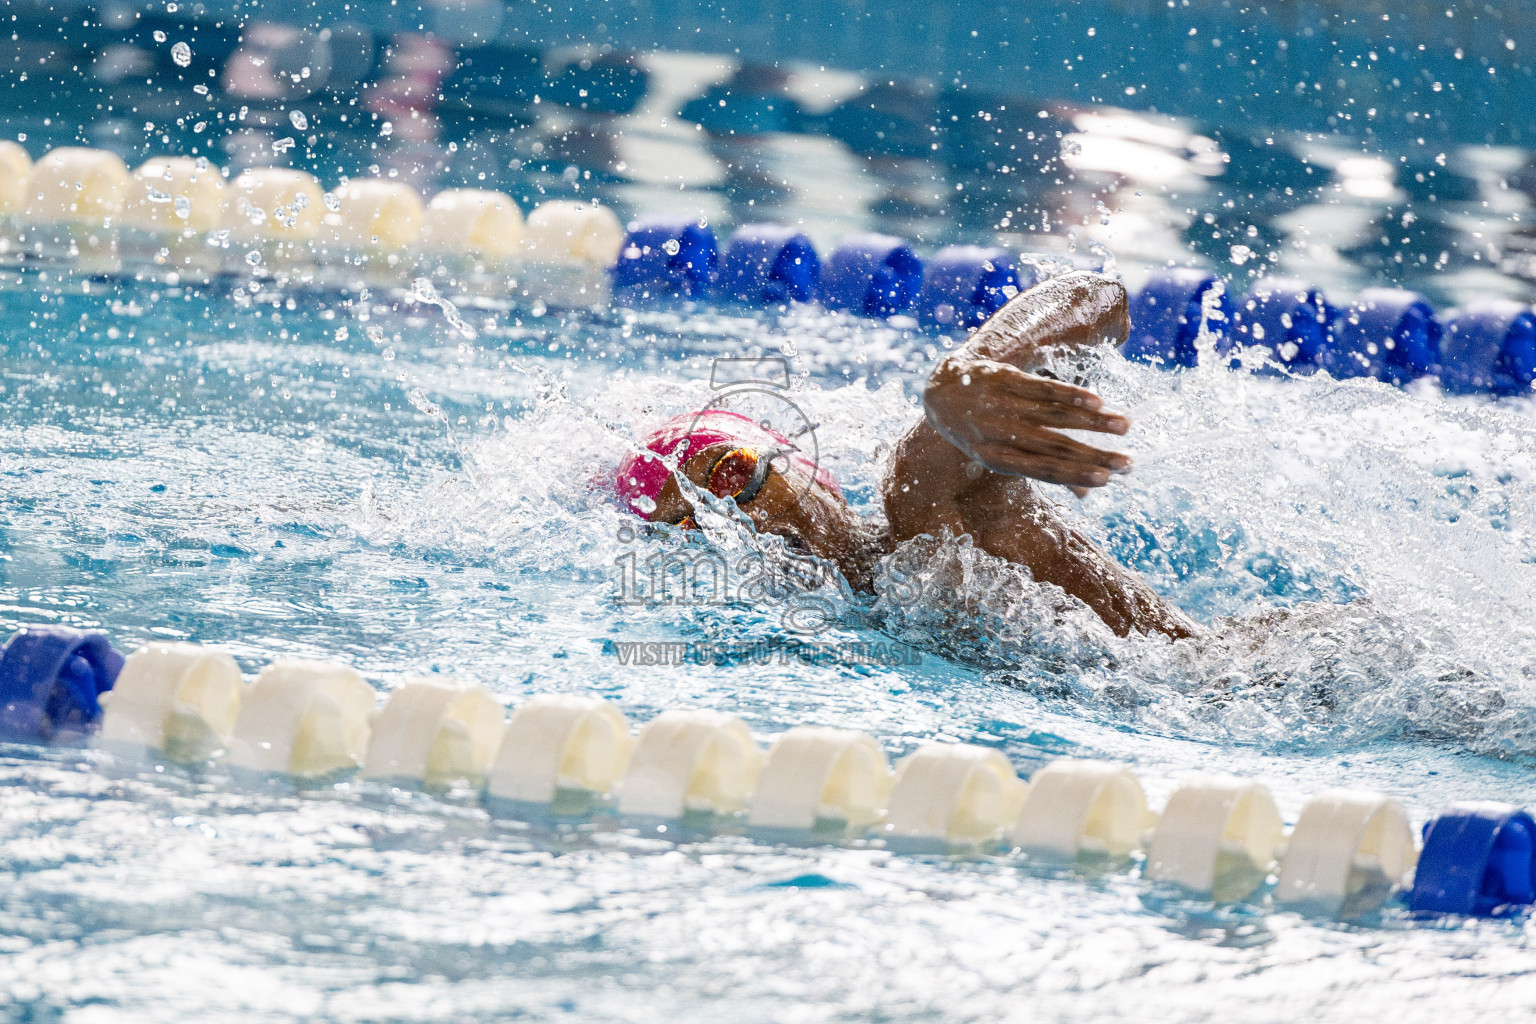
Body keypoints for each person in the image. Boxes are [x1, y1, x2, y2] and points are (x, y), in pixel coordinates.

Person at [614, 271, 1199, 640]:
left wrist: (973, 370)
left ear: (803, 465)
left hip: (1241, 680)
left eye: (731, 475)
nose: (739, 520)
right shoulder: (835, 632)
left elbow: (1099, 296)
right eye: (691, 525)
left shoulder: (921, 505)